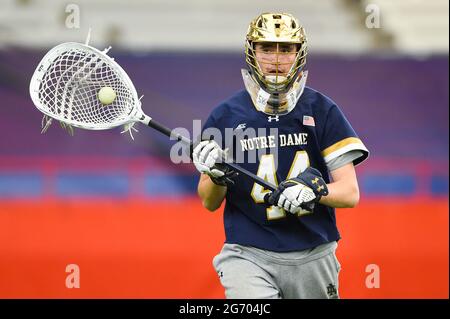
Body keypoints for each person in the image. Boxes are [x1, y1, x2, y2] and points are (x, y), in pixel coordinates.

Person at [192, 12, 369, 299]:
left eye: (286, 48)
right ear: (252, 52)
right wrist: (216, 174)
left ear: (299, 53)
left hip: (313, 252)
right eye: (267, 48)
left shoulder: (321, 109)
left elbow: (350, 193)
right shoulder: (226, 115)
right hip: (248, 254)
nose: (276, 58)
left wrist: (311, 190)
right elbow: (209, 202)